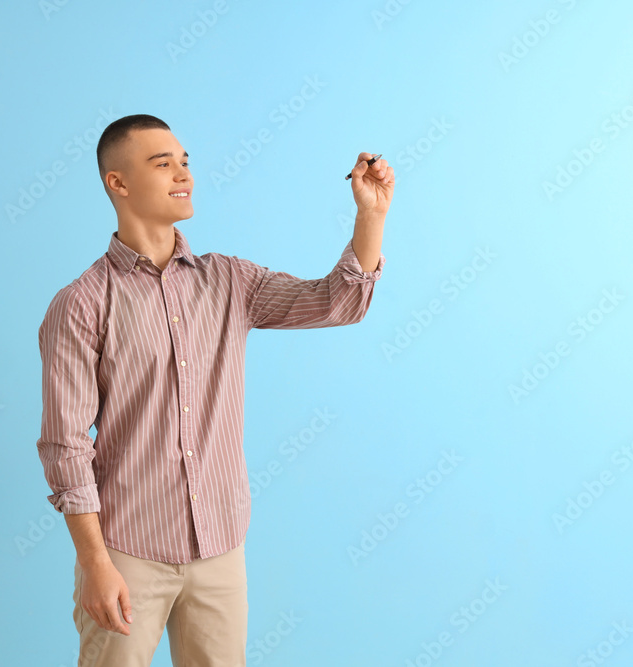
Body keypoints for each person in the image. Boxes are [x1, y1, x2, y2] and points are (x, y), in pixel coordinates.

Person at [35, 113, 393, 666]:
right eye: (163, 163)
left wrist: (370, 218)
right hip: (128, 551)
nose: (183, 173)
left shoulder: (230, 281)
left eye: (185, 161)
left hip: (219, 547)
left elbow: (336, 303)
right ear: (118, 183)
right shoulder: (82, 304)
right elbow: (65, 444)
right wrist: (95, 563)